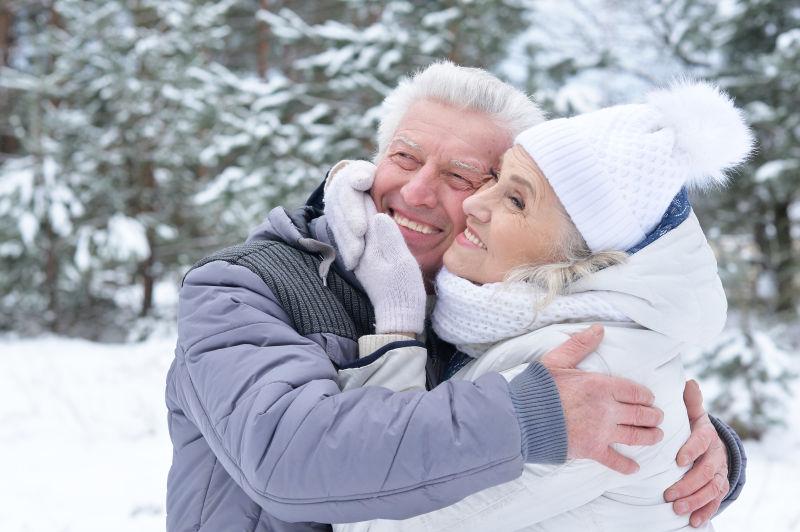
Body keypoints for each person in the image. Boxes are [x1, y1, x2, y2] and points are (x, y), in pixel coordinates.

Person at [164, 62, 744, 532]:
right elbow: (285, 456)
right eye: (404, 158)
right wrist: (524, 418)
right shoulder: (246, 285)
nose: (417, 192)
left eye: (463, 176)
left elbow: (591, 395)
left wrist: (691, 450)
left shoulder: (486, 307)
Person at [329, 80, 751, 531]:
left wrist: (396, 328)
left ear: (584, 257)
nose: (473, 201)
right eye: (494, 179)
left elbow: (370, 518)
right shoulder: (515, 330)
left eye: (515, 198)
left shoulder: (589, 373)